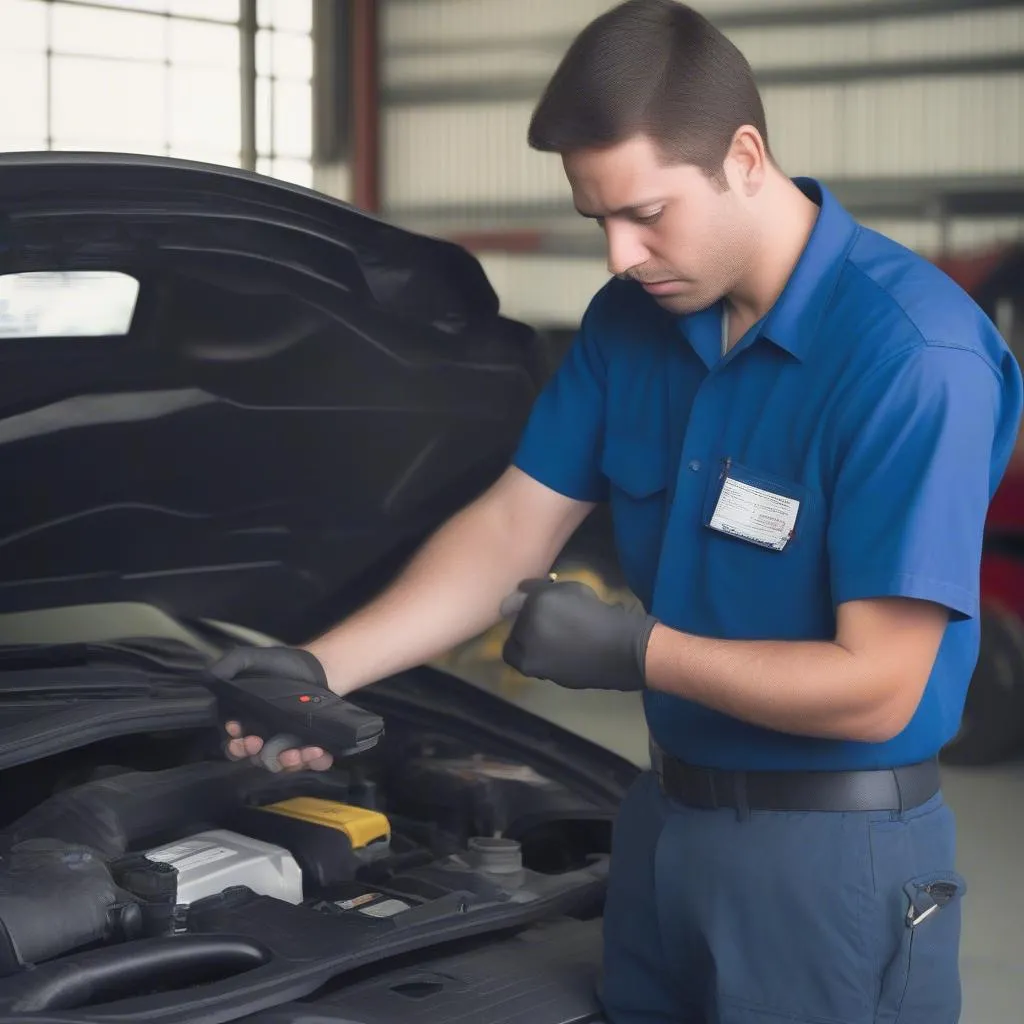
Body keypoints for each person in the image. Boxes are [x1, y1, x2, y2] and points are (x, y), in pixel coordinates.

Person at [213, 2, 1024, 1021]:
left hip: (832, 864)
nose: (619, 257)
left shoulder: (911, 358)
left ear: (742, 156)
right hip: (660, 823)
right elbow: (513, 526)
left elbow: (880, 688)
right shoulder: (630, 322)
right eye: (599, 220)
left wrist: (638, 651)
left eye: (646, 213)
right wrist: (318, 668)